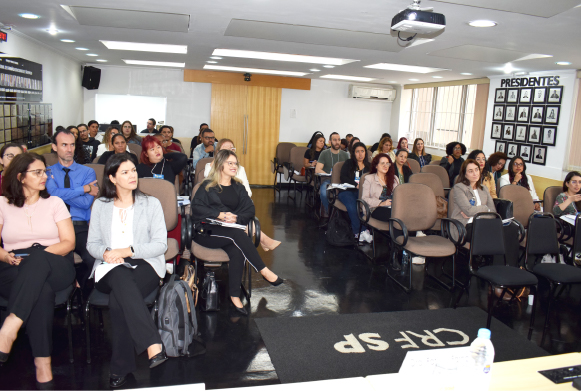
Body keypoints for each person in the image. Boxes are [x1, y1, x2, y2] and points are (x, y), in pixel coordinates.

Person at [87, 154, 168, 387]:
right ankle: (152, 343)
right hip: (108, 267)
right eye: (125, 172)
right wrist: (106, 254)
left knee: (118, 300)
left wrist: (128, 251)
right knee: (120, 274)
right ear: (112, 178)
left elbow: (160, 244)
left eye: (133, 170)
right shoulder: (101, 205)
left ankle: (120, 367)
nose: (132, 175)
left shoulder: (150, 203)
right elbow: (91, 244)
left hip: (145, 264)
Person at [0, 153, 75, 386]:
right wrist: (6, 256)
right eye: (38, 172)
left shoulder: (55, 203)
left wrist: (38, 256)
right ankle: (43, 363)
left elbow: (68, 243)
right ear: (21, 177)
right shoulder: (2, 204)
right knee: (40, 290)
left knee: (37, 260)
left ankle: (10, 326)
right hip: (14, 267)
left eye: (46, 171)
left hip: (55, 264)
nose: (45, 176)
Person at [191, 149, 283, 315]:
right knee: (237, 235)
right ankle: (263, 270)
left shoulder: (238, 186)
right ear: (220, 165)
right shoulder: (207, 185)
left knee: (237, 250)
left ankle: (234, 296)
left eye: (235, 163)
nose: (234, 166)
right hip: (206, 232)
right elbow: (196, 209)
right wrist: (219, 215)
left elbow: (250, 209)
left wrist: (236, 218)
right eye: (230, 163)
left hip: (231, 229)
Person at [46, 129, 99, 295]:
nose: (69, 149)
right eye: (64, 145)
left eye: (72, 145)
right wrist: (83, 188)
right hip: (54, 227)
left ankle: (81, 292)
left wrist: (59, 192)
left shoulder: (88, 172)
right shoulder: (46, 171)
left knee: (93, 259)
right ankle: (65, 292)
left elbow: (84, 204)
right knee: (60, 260)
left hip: (79, 226)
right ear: (54, 147)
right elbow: (53, 195)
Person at [203, 139, 281, 251]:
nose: (230, 151)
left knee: (241, 208)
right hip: (217, 204)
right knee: (235, 213)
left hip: (236, 202)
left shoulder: (239, 169)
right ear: (218, 152)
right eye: (226, 149)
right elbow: (208, 178)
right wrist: (218, 159)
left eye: (232, 148)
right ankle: (264, 240)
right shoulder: (209, 166)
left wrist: (237, 197)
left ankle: (261, 240)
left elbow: (248, 192)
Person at [451, 159, 495, 241]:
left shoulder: (484, 189)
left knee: (507, 230)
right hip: (464, 226)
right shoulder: (459, 188)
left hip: (482, 223)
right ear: (465, 174)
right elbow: (469, 211)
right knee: (491, 233)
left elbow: (493, 212)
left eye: (476, 169)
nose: (475, 173)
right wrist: (485, 208)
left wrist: (476, 215)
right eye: (470, 171)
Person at [338, 142, 371, 242]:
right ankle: (359, 231)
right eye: (357, 152)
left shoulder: (369, 166)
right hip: (347, 191)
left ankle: (362, 231)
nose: (360, 154)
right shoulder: (349, 163)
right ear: (353, 153)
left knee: (364, 206)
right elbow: (343, 177)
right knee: (353, 206)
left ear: (365, 153)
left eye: (362, 151)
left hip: (362, 192)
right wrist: (355, 184)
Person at [315, 132, 349, 218]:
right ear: (330, 142)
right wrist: (329, 174)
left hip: (342, 181)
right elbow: (318, 169)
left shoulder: (345, 154)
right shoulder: (324, 153)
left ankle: (343, 214)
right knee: (323, 193)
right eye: (334, 140)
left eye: (339, 140)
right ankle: (328, 212)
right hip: (328, 180)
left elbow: (350, 170)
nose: (337, 142)